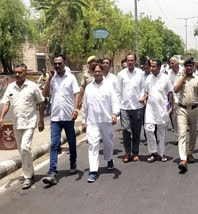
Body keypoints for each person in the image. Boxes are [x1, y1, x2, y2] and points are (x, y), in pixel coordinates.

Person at [0, 64, 44, 189]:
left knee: (25, 147)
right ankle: (30, 170)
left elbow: (40, 103)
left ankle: (27, 177)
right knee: (22, 150)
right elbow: (6, 103)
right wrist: (1, 117)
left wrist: (41, 121)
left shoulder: (32, 86)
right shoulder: (10, 87)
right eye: (16, 72)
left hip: (30, 122)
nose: (17, 74)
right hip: (17, 123)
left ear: (25, 73)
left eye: (20, 72)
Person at [42, 54, 80, 185]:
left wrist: (75, 110)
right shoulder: (52, 79)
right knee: (54, 144)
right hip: (56, 117)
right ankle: (52, 172)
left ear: (64, 63)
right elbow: (44, 94)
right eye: (55, 64)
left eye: (60, 63)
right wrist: (49, 78)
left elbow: (76, 93)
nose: (57, 66)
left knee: (71, 142)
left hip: (68, 116)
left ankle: (73, 162)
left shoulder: (71, 78)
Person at [82, 64, 119, 183]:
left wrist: (114, 114)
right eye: (95, 71)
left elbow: (115, 101)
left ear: (102, 72)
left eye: (99, 71)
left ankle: (109, 159)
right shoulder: (88, 88)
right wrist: (83, 121)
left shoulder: (108, 86)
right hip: (92, 121)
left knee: (108, 143)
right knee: (93, 145)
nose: (97, 73)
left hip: (106, 120)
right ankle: (93, 171)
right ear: (92, 73)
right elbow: (85, 106)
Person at [174, 57, 198, 173]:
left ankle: (190, 153)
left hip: (194, 110)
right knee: (182, 134)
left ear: (193, 67)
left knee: (193, 134)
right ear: (185, 67)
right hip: (182, 109)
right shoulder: (179, 77)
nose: (189, 68)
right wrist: (183, 77)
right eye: (187, 66)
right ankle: (183, 159)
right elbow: (176, 90)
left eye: (191, 66)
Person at [140, 59, 173, 162]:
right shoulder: (148, 78)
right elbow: (146, 91)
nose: (151, 68)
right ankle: (153, 152)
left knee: (161, 131)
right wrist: (144, 98)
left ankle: (161, 153)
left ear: (159, 67)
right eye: (151, 66)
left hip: (162, 108)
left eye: (153, 66)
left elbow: (170, 92)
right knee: (148, 128)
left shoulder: (165, 78)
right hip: (150, 108)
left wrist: (171, 106)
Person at [117, 53, 145, 162]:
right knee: (126, 130)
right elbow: (118, 91)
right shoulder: (121, 74)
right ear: (126, 61)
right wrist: (118, 106)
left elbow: (143, 87)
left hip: (138, 106)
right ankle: (127, 152)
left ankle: (135, 152)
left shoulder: (141, 73)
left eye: (132, 60)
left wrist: (142, 97)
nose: (130, 62)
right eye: (128, 60)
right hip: (125, 107)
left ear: (135, 61)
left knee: (136, 131)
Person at [168, 56, 183, 137]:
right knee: (174, 118)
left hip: (182, 98)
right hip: (173, 99)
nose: (171, 65)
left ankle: (182, 135)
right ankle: (177, 135)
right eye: (170, 63)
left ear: (177, 63)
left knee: (182, 118)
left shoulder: (183, 71)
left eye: (172, 63)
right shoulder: (169, 72)